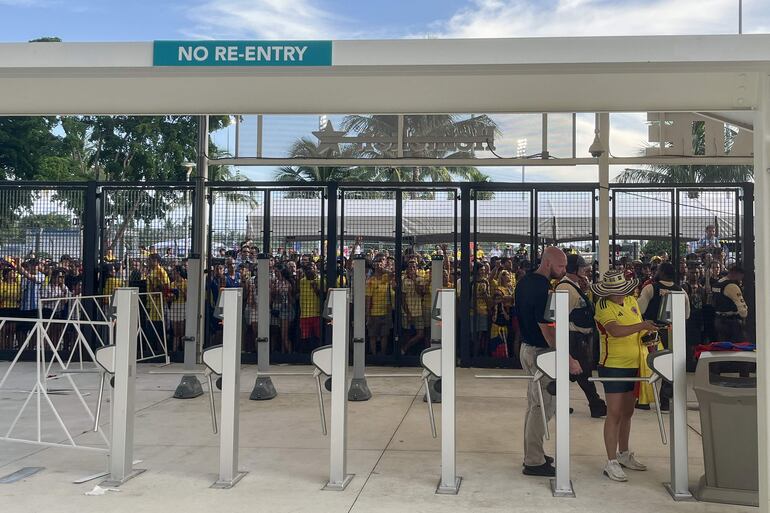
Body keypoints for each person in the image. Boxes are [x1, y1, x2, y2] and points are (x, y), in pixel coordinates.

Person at [514, 246, 581, 477]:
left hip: (527, 348)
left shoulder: (524, 282)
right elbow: (547, 329)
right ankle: (534, 461)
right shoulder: (542, 288)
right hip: (540, 353)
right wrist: (568, 359)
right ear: (548, 263)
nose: (564, 270)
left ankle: (534, 453)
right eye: (561, 266)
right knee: (543, 406)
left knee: (535, 405)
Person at [592, 270, 661, 482]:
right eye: (617, 290)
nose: (621, 294)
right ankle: (611, 461)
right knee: (614, 412)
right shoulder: (603, 306)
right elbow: (615, 331)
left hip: (636, 363)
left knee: (627, 412)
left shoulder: (631, 301)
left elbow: (637, 327)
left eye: (623, 289)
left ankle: (623, 453)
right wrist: (642, 325)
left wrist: (648, 334)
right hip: (614, 365)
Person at [555, 254, 607, 418]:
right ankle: (596, 405)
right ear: (573, 269)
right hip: (573, 337)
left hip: (580, 337)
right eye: (582, 267)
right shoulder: (565, 288)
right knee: (582, 373)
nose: (586, 270)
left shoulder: (574, 286)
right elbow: (560, 317)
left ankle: (558, 403)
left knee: (573, 373)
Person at [636, 262, 690, 411]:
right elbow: (686, 314)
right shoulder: (681, 291)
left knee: (648, 365)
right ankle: (665, 401)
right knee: (670, 365)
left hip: (652, 332)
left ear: (662, 273)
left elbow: (639, 309)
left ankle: (644, 401)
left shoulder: (650, 288)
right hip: (672, 332)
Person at [711, 264, 748, 342]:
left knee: (723, 345)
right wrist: (744, 316)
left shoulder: (718, 283)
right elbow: (741, 306)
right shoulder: (732, 286)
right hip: (731, 322)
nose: (740, 280)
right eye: (740, 277)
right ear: (736, 274)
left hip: (719, 319)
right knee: (737, 345)